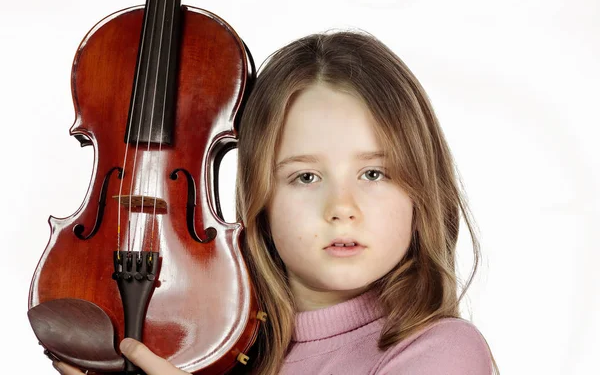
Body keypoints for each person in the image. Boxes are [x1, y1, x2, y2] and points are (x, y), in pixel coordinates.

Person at [53, 31, 499, 375]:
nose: (342, 207)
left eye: (373, 173)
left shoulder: (443, 351)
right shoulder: (215, 357)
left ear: (421, 188)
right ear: (260, 197)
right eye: (305, 176)